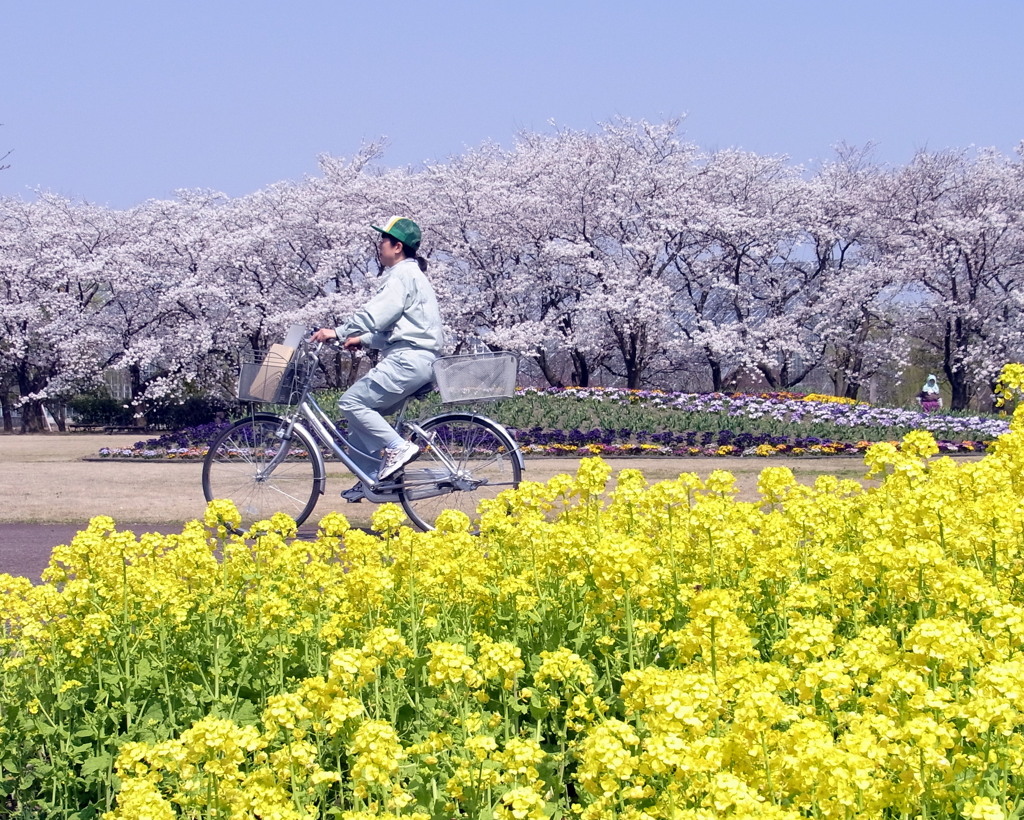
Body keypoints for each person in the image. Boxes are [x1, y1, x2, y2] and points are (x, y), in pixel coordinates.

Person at [311, 216, 443, 501]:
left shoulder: (401, 275)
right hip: (418, 359)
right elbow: (398, 326)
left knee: (350, 402)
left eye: (382, 240)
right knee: (360, 417)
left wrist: (337, 331)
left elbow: (377, 314)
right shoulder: (413, 276)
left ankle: (398, 448)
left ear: (397, 246)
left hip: (408, 359)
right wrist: (363, 339)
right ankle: (369, 477)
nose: (378, 245)